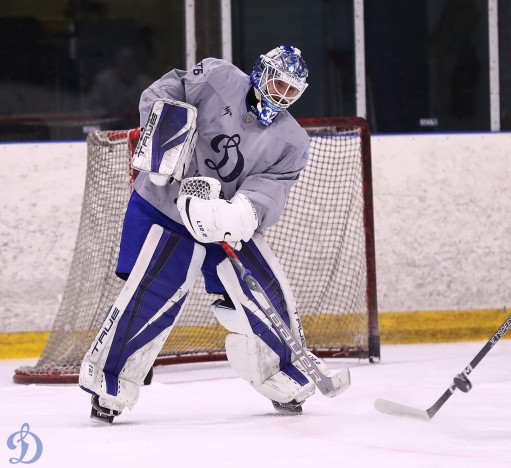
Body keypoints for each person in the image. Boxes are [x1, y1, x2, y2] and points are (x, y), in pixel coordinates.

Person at [78, 45, 346, 423]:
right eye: (277, 83)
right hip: (165, 205)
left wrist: (239, 213)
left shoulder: (292, 141)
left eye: (291, 90)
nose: (281, 95)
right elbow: (166, 91)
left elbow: (272, 187)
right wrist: (163, 143)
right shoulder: (218, 78)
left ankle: (281, 372)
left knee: (265, 293)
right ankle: (111, 382)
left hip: (221, 223)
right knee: (150, 292)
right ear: (260, 71)